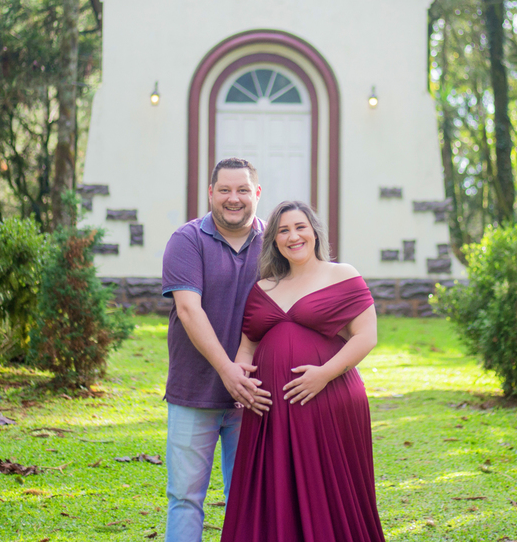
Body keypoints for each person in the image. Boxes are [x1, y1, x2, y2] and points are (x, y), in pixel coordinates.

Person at [221, 200, 385, 542]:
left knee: (328, 490)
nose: (293, 236)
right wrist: (241, 381)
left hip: (328, 400)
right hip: (268, 410)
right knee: (273, 493)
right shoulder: (264, 287)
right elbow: (248, 345)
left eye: (300, 227)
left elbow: (366, 336)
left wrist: (324, 374)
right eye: (283, 230)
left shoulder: (342, 275)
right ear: (274, 241)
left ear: (314, 232)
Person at [161, 158, 273, 542]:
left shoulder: (276, 244)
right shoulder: (186, 240)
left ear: (257, 193)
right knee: (185, 498)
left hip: (256, 396)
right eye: (224, 190)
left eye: (242, 189)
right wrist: (227, 369)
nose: (233, 198)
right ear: (210, 193)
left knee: (248, 499)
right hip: (194, 393)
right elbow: (189, 311)